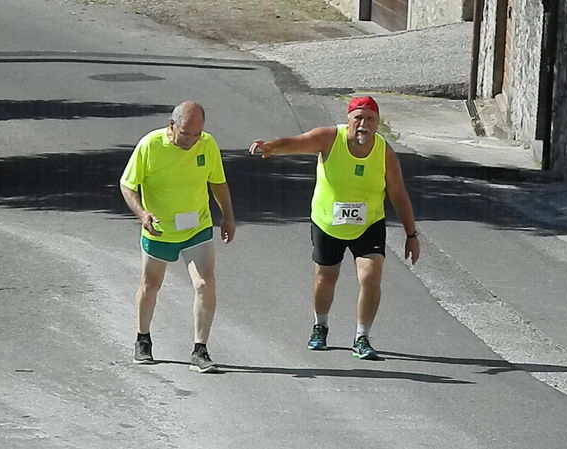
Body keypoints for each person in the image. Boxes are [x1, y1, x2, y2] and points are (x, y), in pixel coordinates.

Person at [249, 96, 419, 360]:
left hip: (368, 223)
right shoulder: (330, 138)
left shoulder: (384, 152)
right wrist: (272, 146)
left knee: (371, 276)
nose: (363, 124)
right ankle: (320, 325)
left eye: (370, 119)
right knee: (326, 277)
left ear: (377, 123)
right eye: (358, 118)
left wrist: (411, 234)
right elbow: (298, 142)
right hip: (328, 221)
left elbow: (398, 194)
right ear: (348, 119)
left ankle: (361, 337)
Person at [120, 101, 235, 373]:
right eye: (186, 134)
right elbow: (127, 185)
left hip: (197, 228)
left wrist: (228, 216)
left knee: (205, 284)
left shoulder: (206, 144)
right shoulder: (150, 145)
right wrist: (142, 214)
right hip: (159, 229)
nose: (192, 141)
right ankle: (143, 338)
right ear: (171, 125)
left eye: (197, 134)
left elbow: (217, 182)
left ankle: (200, 350)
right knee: (150, 285)